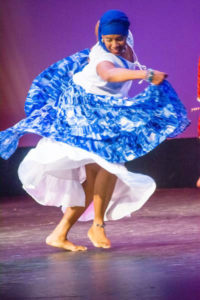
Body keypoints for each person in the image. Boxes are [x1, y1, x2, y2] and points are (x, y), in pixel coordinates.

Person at [0, 10, 190, 251]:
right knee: (109, 164)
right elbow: (108, 74)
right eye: (107, 39)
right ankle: (96, 226)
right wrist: (146, 74)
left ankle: (61, 233)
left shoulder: (124, 38)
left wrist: (106, 28)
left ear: (126, 34)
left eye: (117, 39)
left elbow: (105, 26)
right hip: (83, 109)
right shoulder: (101, 54)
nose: (112, 44)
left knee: (101, 171)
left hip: (105, 112)